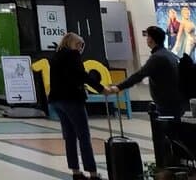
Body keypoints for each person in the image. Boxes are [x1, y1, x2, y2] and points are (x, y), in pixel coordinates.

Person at [49, 32, 104, 180]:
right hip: (71, 100)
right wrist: (101, 88)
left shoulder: (56, 56)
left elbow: (67, 77)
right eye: (80, 45)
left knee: (69, 137)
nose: (81, 49)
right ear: (73, 43)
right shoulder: (73, 55)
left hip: (56, 101)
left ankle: (76, 172)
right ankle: (93, 173)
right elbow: (82, 75)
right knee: (83, 136)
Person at [109, 25, 184, 118]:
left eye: (147, 36)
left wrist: (118, 87)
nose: (146, 39)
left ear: (151, 39)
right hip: (176, 101)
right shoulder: (170, 55)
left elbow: (139, 75)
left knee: (168, 130)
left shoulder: (157, 57)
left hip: (166, 104)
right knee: (174, 129)